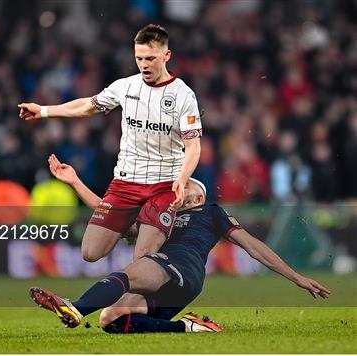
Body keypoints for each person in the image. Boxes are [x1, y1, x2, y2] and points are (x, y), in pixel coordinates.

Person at [30, 166, 331, 333]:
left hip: (180, 267)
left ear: (198, 195)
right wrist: (75, 182)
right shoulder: (161, 216)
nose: (179, 187)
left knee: (128, 273)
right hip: (172, 281)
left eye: (186, 185)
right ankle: (188, 328)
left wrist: (298, 278)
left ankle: (77, 308)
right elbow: (108, 213)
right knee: (112, 320)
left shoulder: (211, 212)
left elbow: (255, 248)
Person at [18, 24, 202, 263]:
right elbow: (86, 106)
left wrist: (182, 178)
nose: (144, 64)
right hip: (125, 183)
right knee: (90, 252)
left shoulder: (184, 96)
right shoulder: (125, 87)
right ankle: (136, 228)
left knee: (143, 258)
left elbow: (193, 147)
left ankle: (152, 243)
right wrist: (43, 111)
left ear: (166, 56)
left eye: (150, 58)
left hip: (164, 185)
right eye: (139, 58)